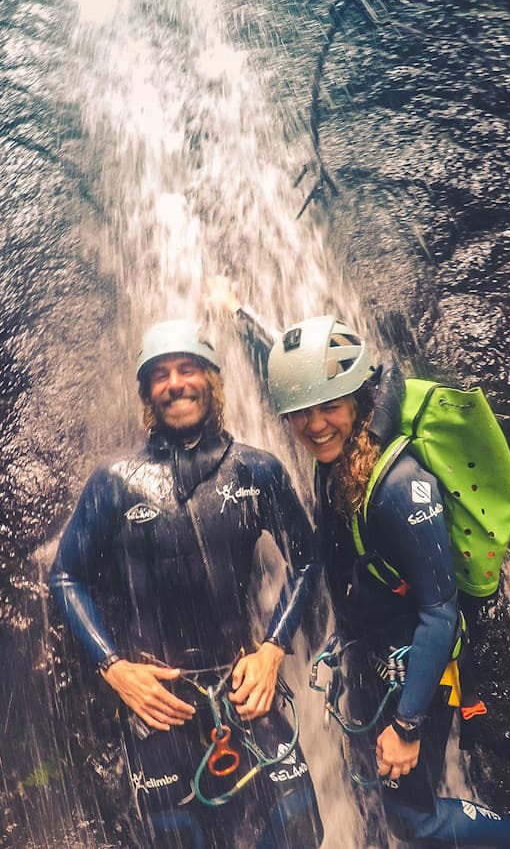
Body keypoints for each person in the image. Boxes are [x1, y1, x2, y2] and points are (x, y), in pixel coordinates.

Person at [209, 283, 510, 848]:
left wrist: (408, 725)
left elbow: (440, 614)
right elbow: (292, 356)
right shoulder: (343, 453)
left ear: (359, 399)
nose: (314, 424)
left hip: (418, 667)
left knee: (411, 818)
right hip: (373, 659)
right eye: (300, 411)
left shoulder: (400, 486)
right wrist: (237, 312)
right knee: (382, 795)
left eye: (329, 407)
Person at [50, 320, 324, 849]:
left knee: (301, 830)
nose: (174, 383)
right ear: (147, 394)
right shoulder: (114, 481)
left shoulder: (256, 470)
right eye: (159, 375)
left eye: (187, 368)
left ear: (212, 380)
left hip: (246, 691)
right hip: (157, 705)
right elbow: (66, 576)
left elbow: (308, 560)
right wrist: (114, 667)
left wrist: (272, 650)